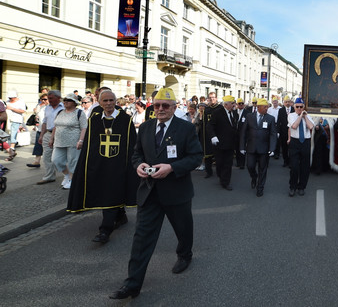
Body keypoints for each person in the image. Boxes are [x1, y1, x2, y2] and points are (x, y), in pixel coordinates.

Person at [109, 88, 202, 299]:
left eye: (165, 106)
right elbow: (136, 154)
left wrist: (172, 168)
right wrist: (139, 165)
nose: (160, 109)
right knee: (141, 239)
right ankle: (132, 284)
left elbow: (196, 157)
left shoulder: (186, 129)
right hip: (149, 191)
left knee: (183, 229)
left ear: (174, 107)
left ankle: (184, 254)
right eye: (157, 105)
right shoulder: (146, 127)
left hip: (176, 192)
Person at [68, 89, 138, 243]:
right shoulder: (94, 120)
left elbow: (132, 144)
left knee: (111, 193)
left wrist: (131, 166)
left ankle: (105, 230)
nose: (108, 104)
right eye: (105, 101)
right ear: (99, 103)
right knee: (108, 193)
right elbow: (90, 144)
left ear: (116, 102)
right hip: (100, 165)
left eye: (111, 100)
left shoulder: (125, 120)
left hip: (118, 165)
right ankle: (120, 216)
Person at [239, 98, 277, 197]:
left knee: (263, 169)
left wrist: (272, 148)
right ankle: (254, 177)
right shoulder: (249, 116)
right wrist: (242, 147)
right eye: (264, 107)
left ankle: (260, 188)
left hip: (264, 148)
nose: (266, 109)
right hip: (251, 147)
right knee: (250, 166)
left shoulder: (270, 118)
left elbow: (273, 134)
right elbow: (243, 132)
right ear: (258, 107)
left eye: (267, 107)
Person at [50, 93, 87, 190]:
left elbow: (84, 128)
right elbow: (56, 126)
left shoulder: (79, 113)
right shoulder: (60, 112)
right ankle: (66, 174)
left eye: (68, 100)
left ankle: (71, 179)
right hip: (59, 141)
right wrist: (51, 138)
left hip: (73, 141)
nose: (65, 102)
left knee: (73, 161)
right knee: (56, 160)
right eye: (65, 100)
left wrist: (81, 140)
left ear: (74, 103)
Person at [207, 95, 238, 190]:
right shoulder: (217, 113)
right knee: (220, 162)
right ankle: (221, 176)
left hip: (230, 143)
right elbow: (210, 125)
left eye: (234, 103)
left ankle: (226, 182)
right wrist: (213, 136)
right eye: (232, 103)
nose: (234, 105)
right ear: (226, 104)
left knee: (228, 163)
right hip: (219, 143)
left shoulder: (235, 113)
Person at [287, 97, 314, 196]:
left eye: (301, 107)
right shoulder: (291, 115)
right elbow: (294, 126)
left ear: (303, 107)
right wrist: (300, 116)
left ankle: (302, 186)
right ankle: (292, 186)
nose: (299, 108)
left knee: (305, 167)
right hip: (295, 142)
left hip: (305, 142)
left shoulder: (308, 116)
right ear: (294, 107)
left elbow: (311, 127)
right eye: (297, 107)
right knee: (294, 167)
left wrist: (305, 116)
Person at [37, 90, 64, 184]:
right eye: (48, 98)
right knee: (47, 156)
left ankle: (68, 176)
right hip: (48, 133)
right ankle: (49, 176)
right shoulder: (47, 108)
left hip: (61, 134)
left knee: (61, 157)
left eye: (51, 98)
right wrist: (41, 135)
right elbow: (45, 122)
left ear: (58, 98)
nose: (49, 100)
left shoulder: (64, 108)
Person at [27, 93, 48, 168]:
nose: (43, 101)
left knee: (49, 148)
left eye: (45, 99)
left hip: (48, 131)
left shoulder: (52, 108)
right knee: (38, 146)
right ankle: (37, 161)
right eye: (42, 99)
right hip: (40, 129)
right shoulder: (42, 107)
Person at [5, 91, 26, 161]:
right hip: (8, 120)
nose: (10, 99)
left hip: (16, 120)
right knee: (8, 134)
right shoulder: (7, 101)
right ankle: (11, 149)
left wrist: (12, 108)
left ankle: (12, 149)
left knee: (13, 134)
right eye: (9, 98)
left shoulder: (20, 102)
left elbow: (23, 111)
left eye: (12, 98)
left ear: (15, 97)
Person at [278, 95, 293, 167]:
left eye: (288, 102)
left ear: (291, 102)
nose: (287, 103)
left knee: (291, 147)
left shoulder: (293, 109)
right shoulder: (281, 110)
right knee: (284, 147)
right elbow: (278, 121)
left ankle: (291, 162)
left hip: (292, 131)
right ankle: (285, 161)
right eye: (286, 102)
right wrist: (278, 131)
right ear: (283, 103)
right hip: (283, 132)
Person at [234, 98, 247, 169]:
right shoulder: (234, 112)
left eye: (242, 103)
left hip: (243, 133)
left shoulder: (247, 112)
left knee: (242, 148)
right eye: (239, 103)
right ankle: (238, 162)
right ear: (237, 104)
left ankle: (242, 163)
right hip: (236, 133)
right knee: (237, 148)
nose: (241, 105)